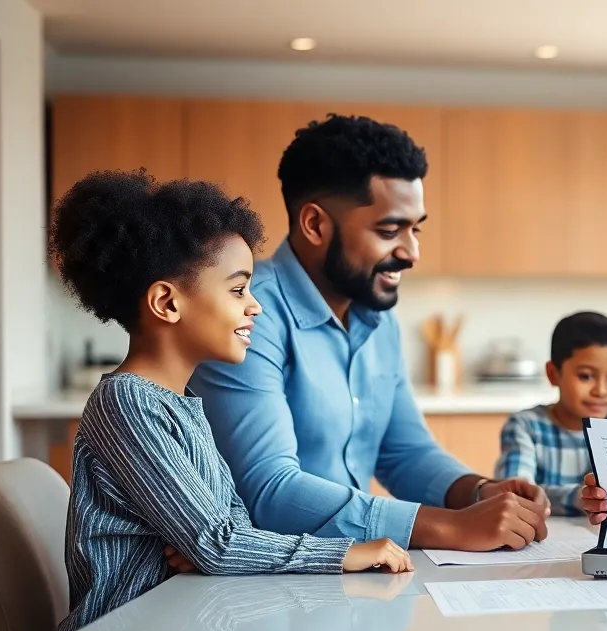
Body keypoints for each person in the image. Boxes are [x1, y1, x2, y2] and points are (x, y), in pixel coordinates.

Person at [51, 170, 412, 631]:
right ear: (166, 302)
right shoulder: (127, 404)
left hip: (179, 628)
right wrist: (343, 551)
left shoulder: (179, 403)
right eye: (238, 289)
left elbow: (227, 530)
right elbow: (220, 543)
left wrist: (213, 547)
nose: (254, 306)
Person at [188, 115, 551, 556]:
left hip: (349, 567)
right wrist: (448, 527)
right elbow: (270, 493)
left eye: (415, 229)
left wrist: (479, 492)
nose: (412, 252)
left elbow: (404, 452)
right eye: (388, 230)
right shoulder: (250, 313)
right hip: (263, 580)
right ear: (315, 225)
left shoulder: (380, 320)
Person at [494, 311, 607, 517]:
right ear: (553, 374)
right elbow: (517, 495)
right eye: (586, 376)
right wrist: (579, 498)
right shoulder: (525, 427)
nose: (600, 390)